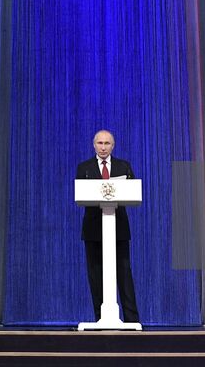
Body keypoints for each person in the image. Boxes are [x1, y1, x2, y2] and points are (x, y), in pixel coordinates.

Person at [76, 130, 140, 324]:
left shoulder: (124, 166)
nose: (103, 147)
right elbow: (80, 193)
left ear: (113, 146)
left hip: (118, 229)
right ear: (93, 145)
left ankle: (131, 319)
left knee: (124, 273)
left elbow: (132, 190)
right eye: (100, 143)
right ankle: (100, 318)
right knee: (96, 276)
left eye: (107, 143)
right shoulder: (84, 168)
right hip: (94, 230)